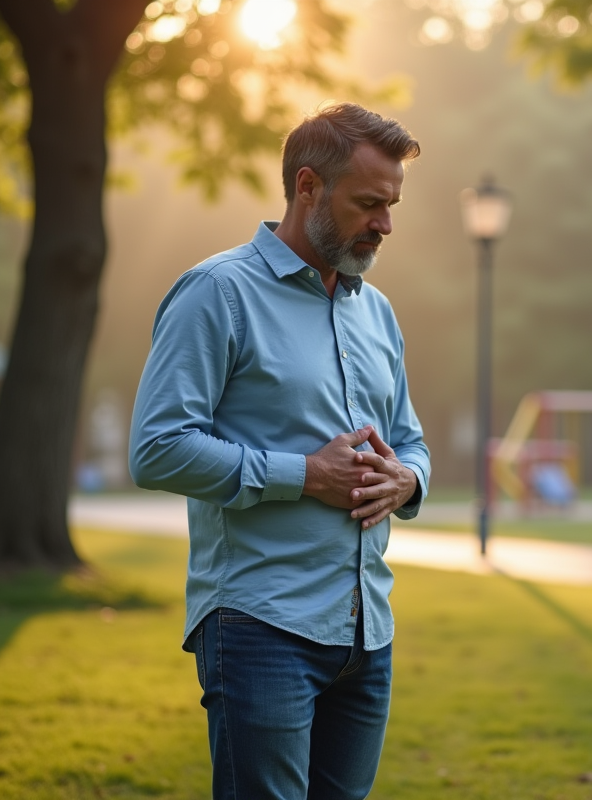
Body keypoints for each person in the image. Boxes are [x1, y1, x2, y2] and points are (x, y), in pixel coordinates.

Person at [129, 102, 430, 800]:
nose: (384, 224)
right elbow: (157, 448)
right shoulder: (216, 292)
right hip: (260, 627)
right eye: (367, 204)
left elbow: (409, 438)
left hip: (367, 633)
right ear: (306, 187)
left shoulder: (376, 311)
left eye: (391, 206)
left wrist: (406, 482)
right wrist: (304, 475)